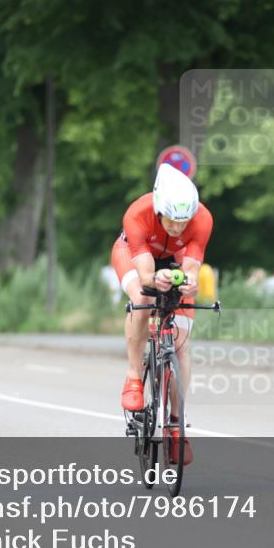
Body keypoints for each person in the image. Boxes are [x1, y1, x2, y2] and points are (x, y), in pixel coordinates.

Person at [110, 163, 213, 465]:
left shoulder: (203, 219)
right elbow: (145, 275)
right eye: (172, 221)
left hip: (175, 261)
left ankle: (177, 427)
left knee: (181, 341)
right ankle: (133, 377)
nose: (178, 228)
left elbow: (191, 269)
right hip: (133, 254)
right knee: (143, 298)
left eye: (184, 222)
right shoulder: (137, 214)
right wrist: (154, 279)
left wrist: (189, 283)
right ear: (158, 209)